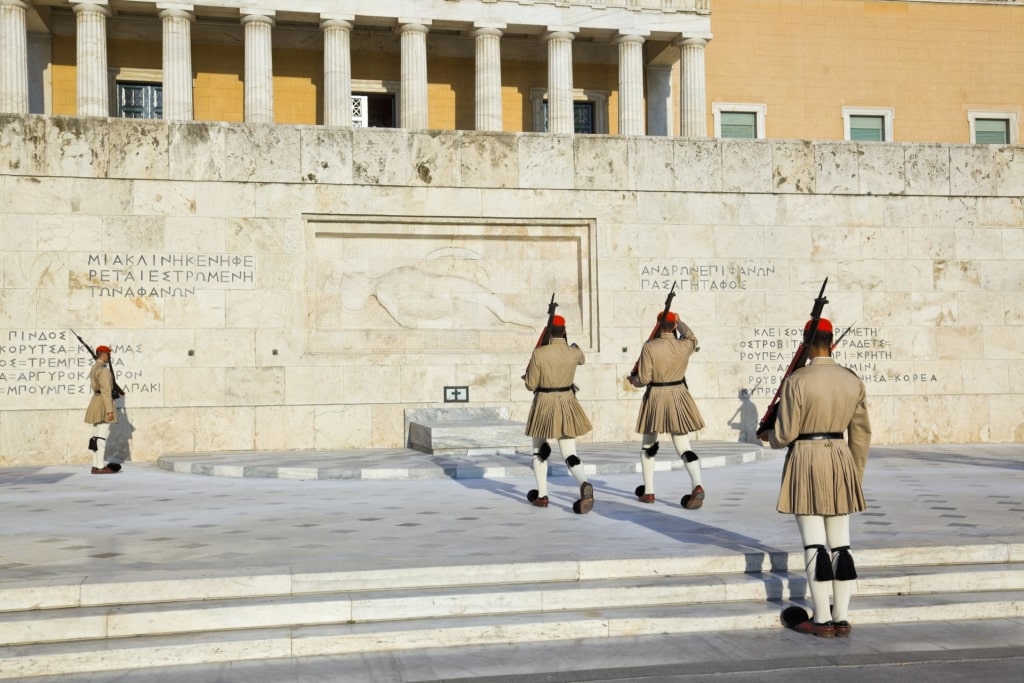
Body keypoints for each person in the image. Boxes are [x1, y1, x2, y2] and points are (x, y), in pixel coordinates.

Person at [759, 318, 871, 638]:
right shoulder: (852, 380)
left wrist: (770, 435)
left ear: (807, 344)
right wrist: (854, 474)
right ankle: (843, 617)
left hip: (807, 457)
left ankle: (821, 619)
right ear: (831, 342)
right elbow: (861, 434)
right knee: (841, 546)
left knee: (814, 544)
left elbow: (786, 433)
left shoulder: (798, 379)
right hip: (840, 458)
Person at [629, 311, 706, 508]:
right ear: (673, 326)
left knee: (649, 446)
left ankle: (649, 491)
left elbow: (644, 379)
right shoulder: (685, 345)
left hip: (656, 396)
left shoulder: (650, 347)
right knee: (684, 446)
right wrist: (680, 322)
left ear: (658, 325)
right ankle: (697, 484)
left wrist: (633, 381)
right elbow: (692, 336)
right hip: (679, 395)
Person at [523, 315, 595, 514]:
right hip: (566, 402)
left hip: (544, 403)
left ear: (548, 332)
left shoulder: (539, 353)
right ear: (563, 331)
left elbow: (530, 385)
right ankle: (584, 482)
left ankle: (542, 495)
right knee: (570, 453)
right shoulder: (573, 352)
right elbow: (582, 357)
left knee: (540, 452)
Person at [85, 345, 119, 474]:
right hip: (103, 403)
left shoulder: (95, 367)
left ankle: (95, 465)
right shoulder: (104, 370)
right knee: (101, 437)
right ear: (103, 355)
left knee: (96, 436)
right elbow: (106, 392)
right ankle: (99, 467)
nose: (109, 357)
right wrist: (109, 410)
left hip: (95, 401)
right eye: (108, 354)